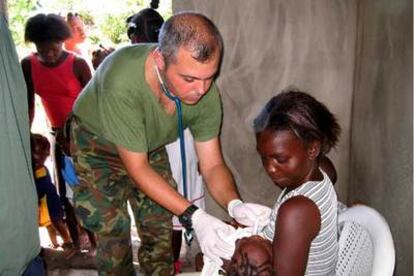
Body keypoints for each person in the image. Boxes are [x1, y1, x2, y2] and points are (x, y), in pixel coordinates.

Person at [69, 12, 271, 275]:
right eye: (189, 79)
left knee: (159, 227)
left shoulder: (205, 92)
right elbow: (138, 169)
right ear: (159, 60)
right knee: (113, 234)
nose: (201, 90)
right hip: (97, 145)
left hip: (146, 144)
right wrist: (196, 217)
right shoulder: (122, 82)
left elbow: (212, 166)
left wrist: (235, 205)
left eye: (210, 77)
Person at [209, 90, 341, 275]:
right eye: (264, 157)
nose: (270, 168)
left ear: (312, 149)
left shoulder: (296, 210)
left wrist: (230, 260)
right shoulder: (323, 169)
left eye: (280, 159)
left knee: (240, 255)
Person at [21, 13, 94, 253]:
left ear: (62, 42)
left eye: (54, 48)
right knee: (65, 194)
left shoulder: (78, 64)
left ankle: (96, 244)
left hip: (84, 135)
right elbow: (28, 105)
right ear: (36, 45)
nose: (49, 53)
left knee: (90, 191)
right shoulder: (28, 65)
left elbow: (95, 105)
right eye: (43, 48)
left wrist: (78, 135)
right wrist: (25, 137)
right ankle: (76, 244)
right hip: (57, 136)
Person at [31, 133, 73, 249]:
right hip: (44, 203)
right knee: (50, 226)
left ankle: (67, 241)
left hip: (50, 203)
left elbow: (42, 188)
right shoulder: (37, 170)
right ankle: (55, 244)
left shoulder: (40, 171)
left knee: (56, 223)